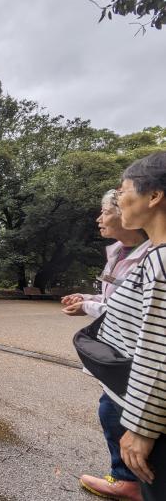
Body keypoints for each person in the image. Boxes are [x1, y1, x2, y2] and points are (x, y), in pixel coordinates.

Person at [87, 152, 166, 501]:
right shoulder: (155, 255)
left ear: (154, 196)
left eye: (123, 190)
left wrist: (141, 427)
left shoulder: (161, 261)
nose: (118, 199)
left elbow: (159, 350)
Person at [61, 189, 150, 318]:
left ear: (127, 215)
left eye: (106, 212)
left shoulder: (152, 256)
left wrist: (87, 307)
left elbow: (134, 311)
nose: (99, 219)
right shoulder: (115, 253)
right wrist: (85, 298)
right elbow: (110, 299)